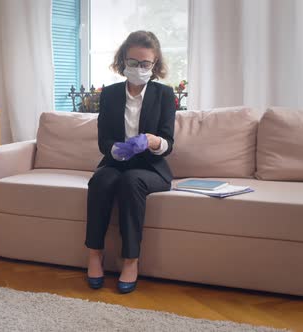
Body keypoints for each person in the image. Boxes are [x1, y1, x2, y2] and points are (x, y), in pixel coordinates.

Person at [85, 30, 176, 294]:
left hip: (150, 169)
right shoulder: (111, 94)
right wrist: (114, 150)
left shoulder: (164, 95)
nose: (138, 68)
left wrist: (153, 141)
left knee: (131, 180)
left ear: (155, 64)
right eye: (132, 62)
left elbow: (169, 142)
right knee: (102, 179)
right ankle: (94, 254)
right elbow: (103, 140)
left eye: (145, 63)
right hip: (116, 163)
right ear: (123, 61)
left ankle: (131, 260)